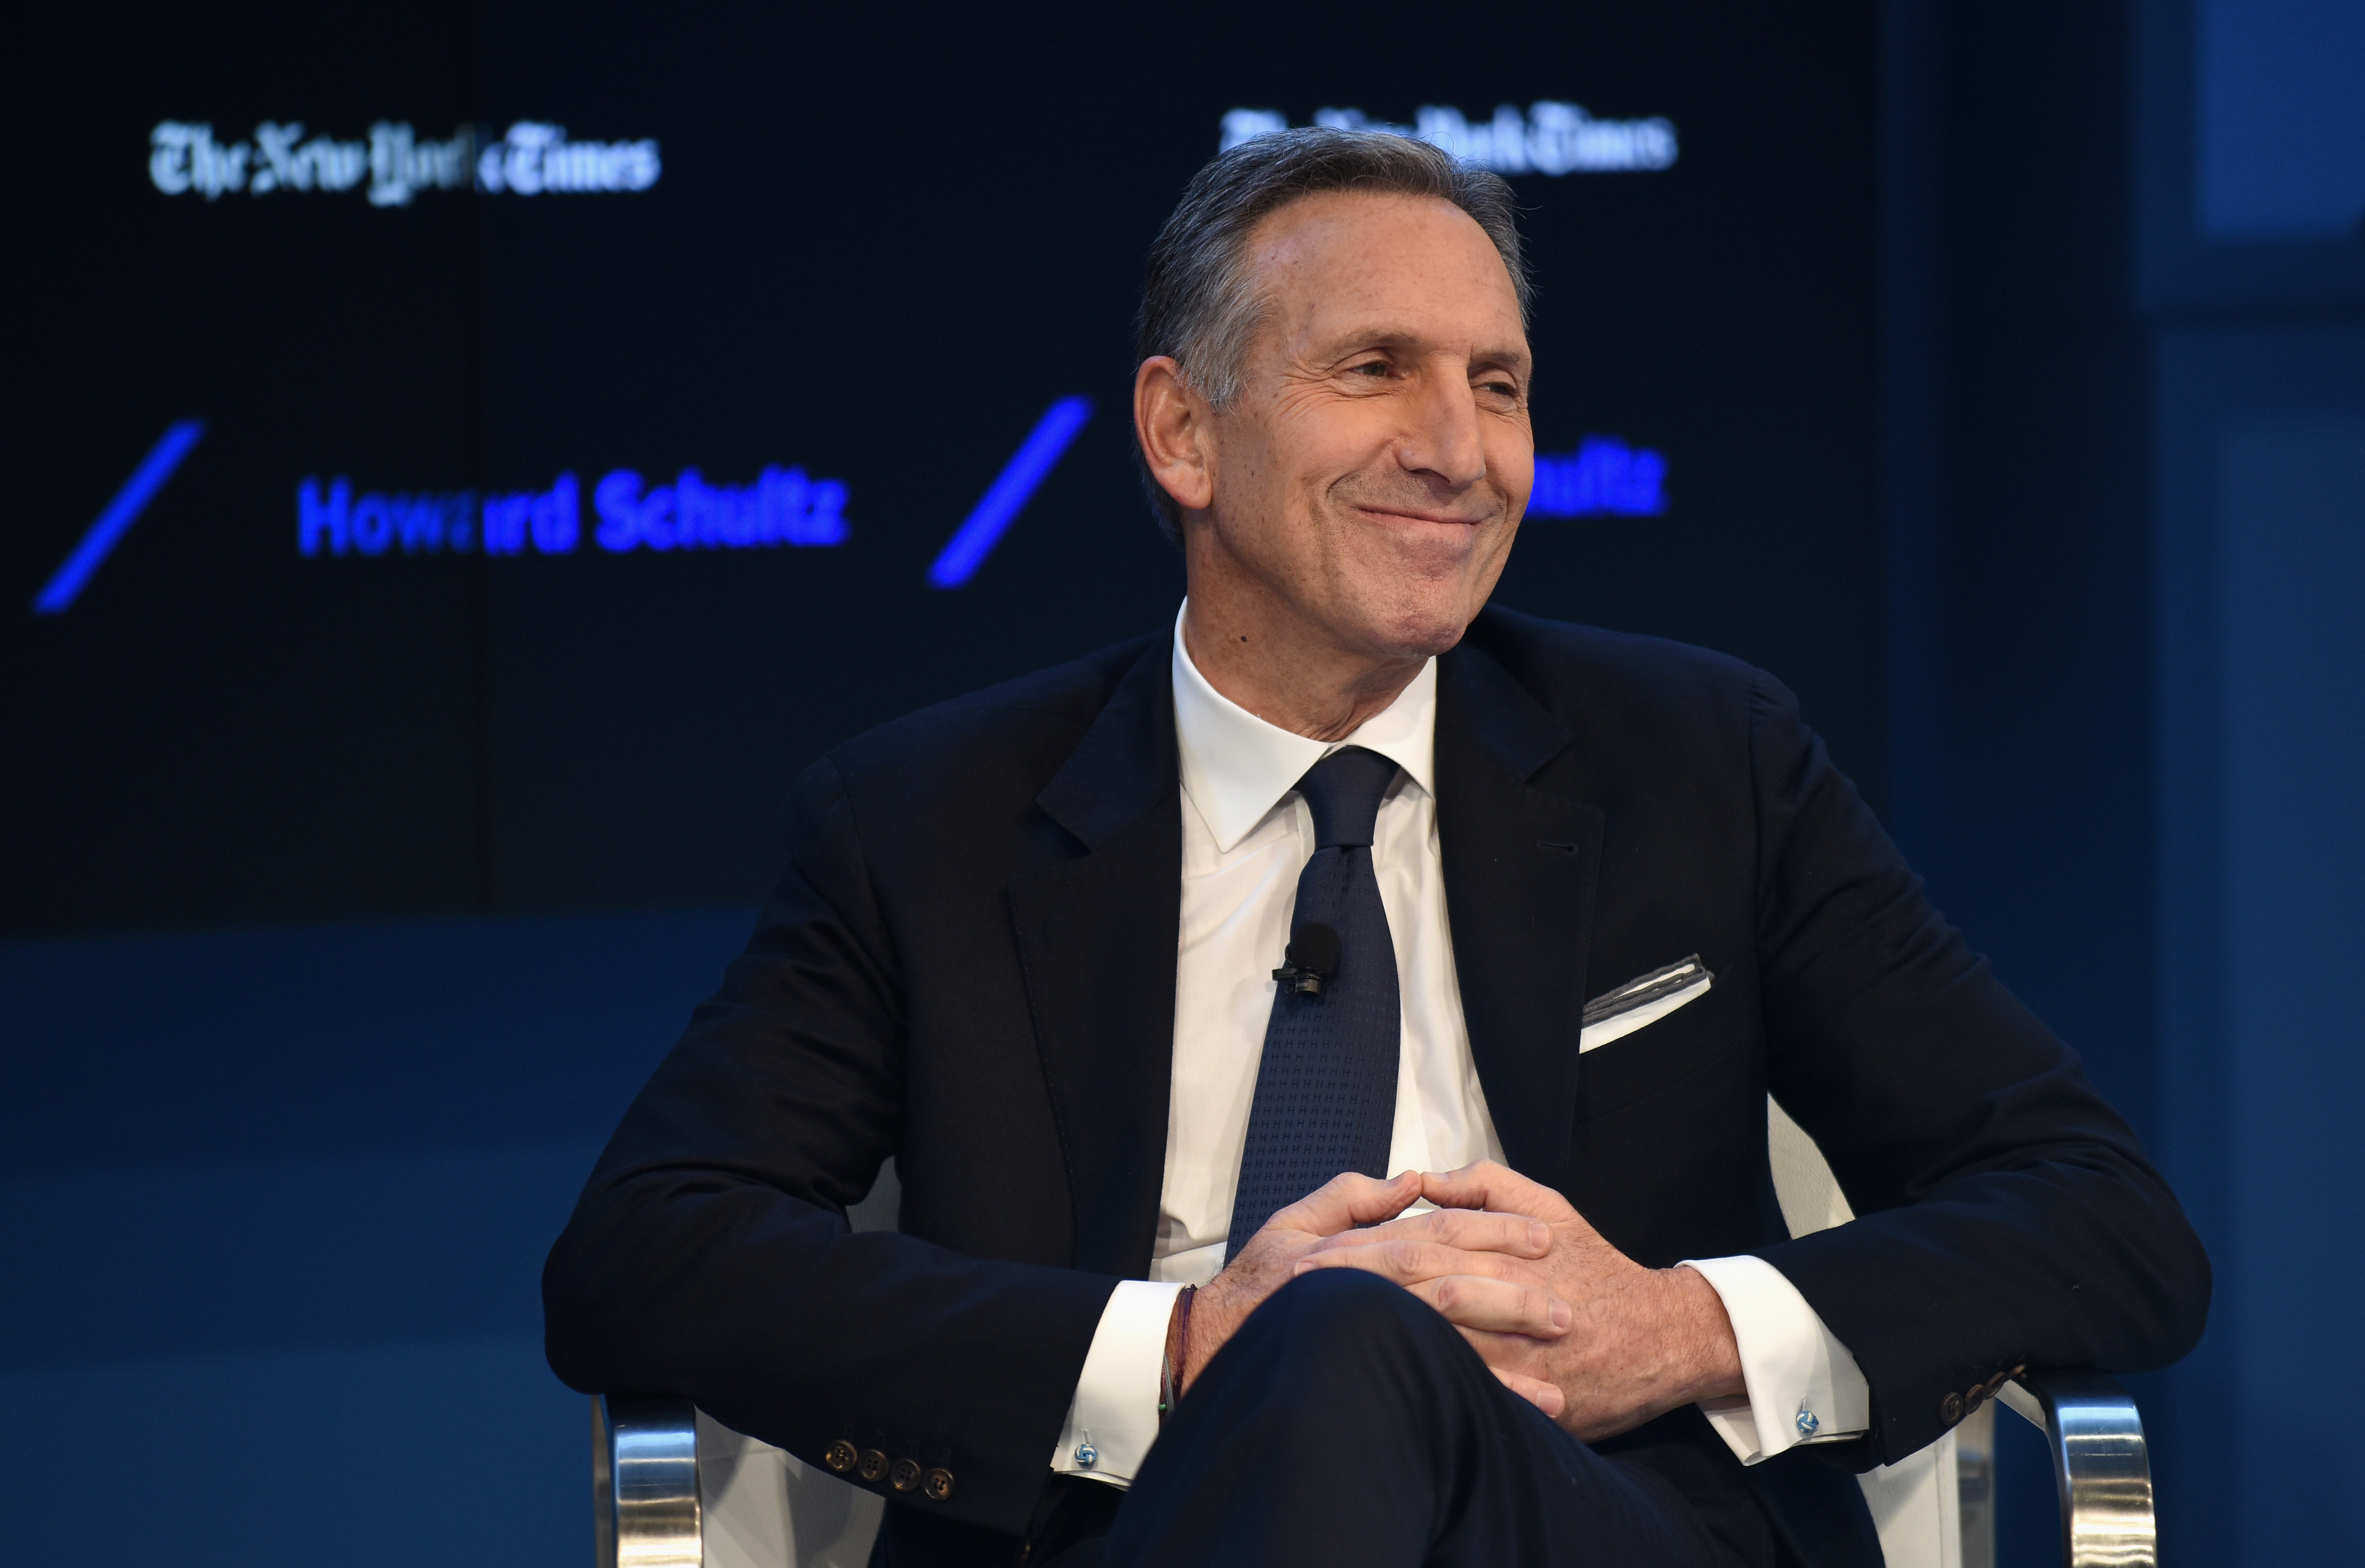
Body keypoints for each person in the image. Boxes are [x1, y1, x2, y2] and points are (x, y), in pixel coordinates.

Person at [543, 128, 2208, 1568]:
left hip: (1614, 1523)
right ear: (1182, 433)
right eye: (1375, 369)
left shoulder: (1707, 761)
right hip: (1127, 1527)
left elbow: (2107, 1220)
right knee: (1337, 1337)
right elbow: (644, 1257)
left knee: (1357, 1334)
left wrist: (1673, 1324)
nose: (1460, 449)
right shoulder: (929, 820)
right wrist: (1188, 1346)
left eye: (1501, 385)